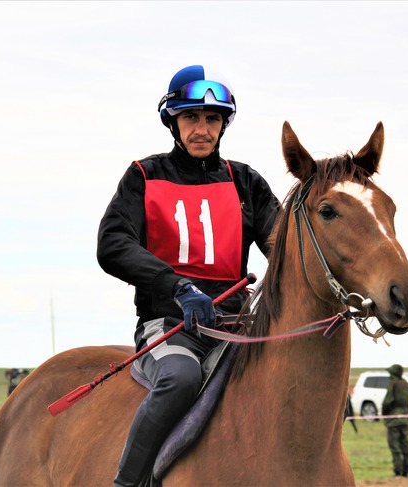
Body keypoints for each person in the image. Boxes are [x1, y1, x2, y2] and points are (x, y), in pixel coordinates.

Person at [97, 65, 280, 487]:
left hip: (237, 326)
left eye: (212, 118)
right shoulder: (144, 176)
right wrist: (178, 287)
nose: (202, 128)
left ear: (223, 125)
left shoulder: (246, 182)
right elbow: (113, 244)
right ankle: (128, 483)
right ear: (173, 121)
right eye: (191, 117)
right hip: (170, 326)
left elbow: (284, 248)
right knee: (181, 378)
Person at [381, 364, 408, 478]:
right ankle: (406, 471)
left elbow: (388, 401)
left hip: (393, 420)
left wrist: (385, 413)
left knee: (395, 446)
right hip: (404, 419)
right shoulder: (406, 384)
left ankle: (398, 471)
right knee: (405, 445)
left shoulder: (393, 384)